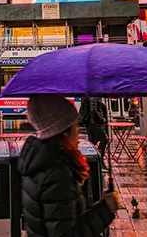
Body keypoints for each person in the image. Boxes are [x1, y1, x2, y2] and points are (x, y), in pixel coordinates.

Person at [19, 94, 122, 235]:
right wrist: (106, 210)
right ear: (64, 131)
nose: (79, 130)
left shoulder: (42, 161)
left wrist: (99, 206)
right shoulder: (57, 173)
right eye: (75, 125)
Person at [79, 97, 108, 161]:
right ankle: (99, 158)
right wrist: (102, 119)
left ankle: (89, 159)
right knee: (103, 139)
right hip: (94, 122)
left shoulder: (87, 95)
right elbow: (93, 110)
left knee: (92, 141)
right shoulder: (93, 96)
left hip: (88, 122)